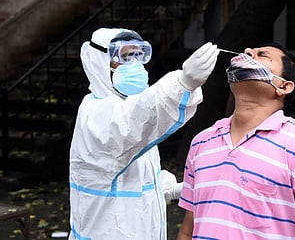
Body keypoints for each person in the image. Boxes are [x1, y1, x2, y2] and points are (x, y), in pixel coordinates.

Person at [177, 43, 295, 240]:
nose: (247, 53)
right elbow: (188, 229)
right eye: (249, 51)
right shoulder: (202, 143)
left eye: (262, 55)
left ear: (283, 86)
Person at [69, 27, 218, 240]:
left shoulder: (123, 109)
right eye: (125, 56)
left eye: (139, 55)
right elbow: (139, 117)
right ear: (99, 63)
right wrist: (182, 84)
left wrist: (172, 189)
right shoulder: (97, 114)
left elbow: (134, 178)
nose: (135, 65)